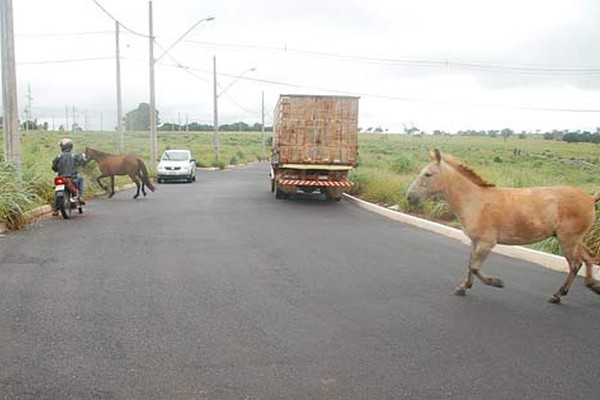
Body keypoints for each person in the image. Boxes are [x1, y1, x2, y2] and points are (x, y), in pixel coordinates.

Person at [51, 138, 87, 214]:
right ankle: (79, 197)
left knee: (57, 190)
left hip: (61, 177)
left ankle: (55, 209)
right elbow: (82, 161)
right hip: (73, 178)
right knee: (81, 180)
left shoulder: (58, 156)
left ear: (62, 147)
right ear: (71, 146)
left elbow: (54, 167)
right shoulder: (74, 156)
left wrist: (57, 169)